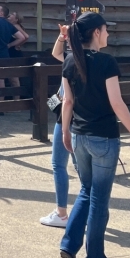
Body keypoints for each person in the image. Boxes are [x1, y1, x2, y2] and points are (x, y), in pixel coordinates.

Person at [59, 12, 130, 258]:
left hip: (78, 135)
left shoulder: (69, 61)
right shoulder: (107, 62)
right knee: (99, 198)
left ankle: (69, 243)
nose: (108, 34)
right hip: (103, 137)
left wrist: (66, 131)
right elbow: (116, 102)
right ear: (96, 33)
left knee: (86, 190)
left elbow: (67, 102)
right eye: (106, 30)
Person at [41, 23, 76, 228]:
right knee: (81, 167)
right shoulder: (90, 59)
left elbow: (57, 53)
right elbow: (56, 52)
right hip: (83, 118)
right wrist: (63, 36)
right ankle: (86, 210)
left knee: (59, 165)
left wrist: (64, 129)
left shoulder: (71, 60)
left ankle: (61, 213)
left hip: (67, 117)